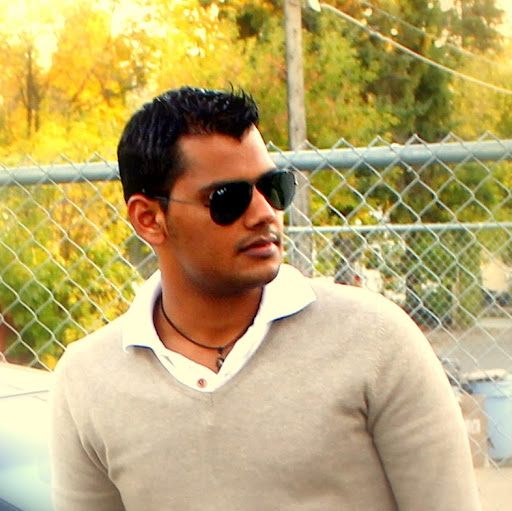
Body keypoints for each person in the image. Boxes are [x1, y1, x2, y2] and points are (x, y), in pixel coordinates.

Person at [50, 86, 481, 511]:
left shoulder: (376, 340)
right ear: (149, 219)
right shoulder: (88, 379)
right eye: (227, 199)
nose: (264, 214)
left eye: (273, 187)